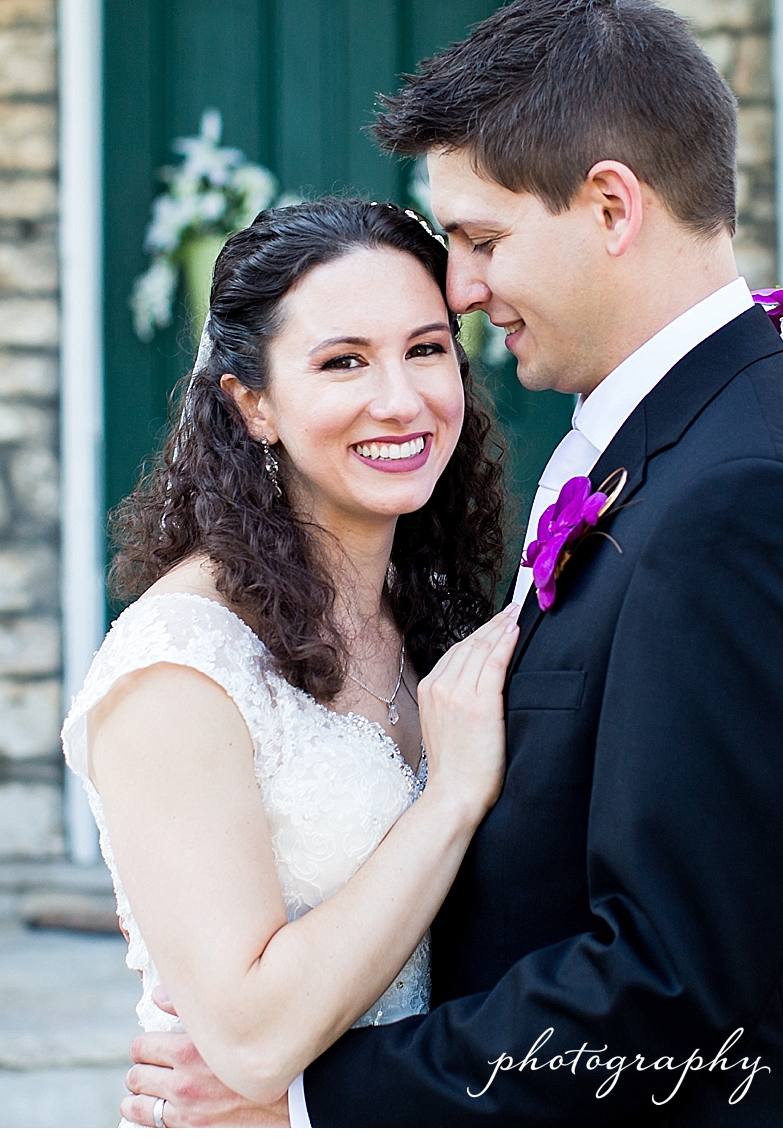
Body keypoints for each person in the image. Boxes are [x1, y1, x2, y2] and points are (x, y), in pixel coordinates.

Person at [124, 0, 783, 1126]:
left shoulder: (739, 494)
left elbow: (674, 982)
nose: (466, 288)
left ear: (610, 208)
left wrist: (308, 1103)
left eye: (481, 240)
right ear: (251, 403)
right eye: (341, 360)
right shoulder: (657, 444)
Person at [61, 197, 524, 1127]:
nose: (400, 398)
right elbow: (254, 1039)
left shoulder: (435, 606)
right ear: (253, 402)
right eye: (343, 361)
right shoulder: (180, 666)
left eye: (426, 348)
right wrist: (450, 797)